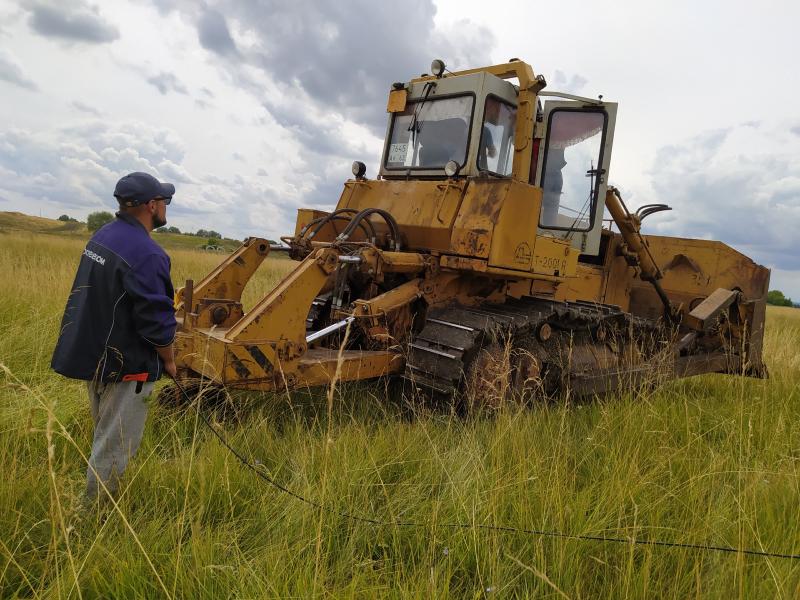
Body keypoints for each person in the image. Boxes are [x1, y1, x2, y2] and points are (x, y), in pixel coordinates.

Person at [51, 172, 178, 502]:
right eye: (164, 201)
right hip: (127, 368)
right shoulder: (149, 254)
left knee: (104, 437)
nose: (166, 206)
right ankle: (94, 520)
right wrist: (170, 360)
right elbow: (155, 321)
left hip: (96, 357)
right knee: (114, 449)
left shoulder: (103, 236)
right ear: (151, 206)